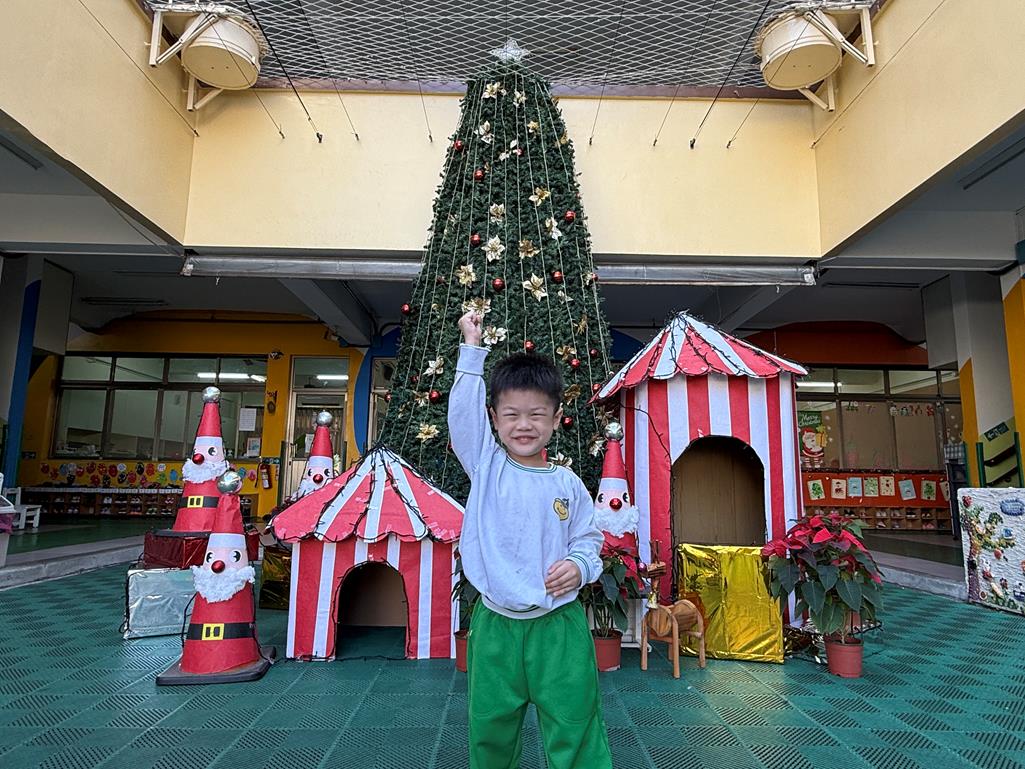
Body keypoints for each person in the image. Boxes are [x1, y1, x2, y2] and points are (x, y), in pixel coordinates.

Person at [449, 310, 613, 769]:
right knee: (490, 731)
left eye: (537, 414)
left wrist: (580, 566)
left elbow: (588, 538)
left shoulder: (568, 483)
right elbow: (462, 415)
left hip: (559, 628)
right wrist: (471, 348)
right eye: (512, 415)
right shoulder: (486, 466)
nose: (524, 424)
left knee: (575, 726)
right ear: (494, 419)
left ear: (556, 419)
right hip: (495, 627)